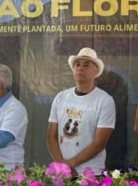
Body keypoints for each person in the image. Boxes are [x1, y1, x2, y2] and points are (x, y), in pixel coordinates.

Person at [47, 47, 116, 175]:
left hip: (91, 172)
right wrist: (62, 166)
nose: (80, 68)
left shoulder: (105, 100)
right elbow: (51, 136)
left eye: (86, 65)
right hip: (62, 172)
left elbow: (99, 143)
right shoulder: (61, 97)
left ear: (96, 71)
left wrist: (71, 164)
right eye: (77, 64)